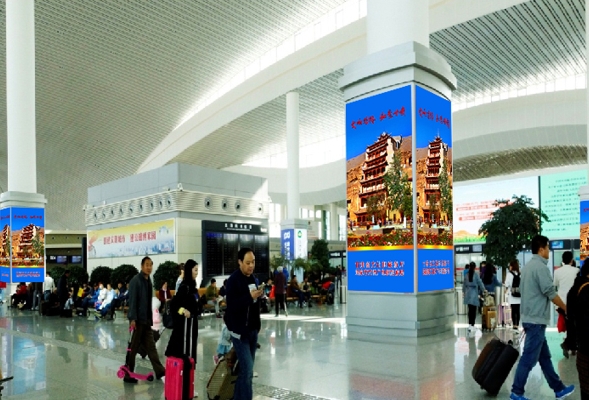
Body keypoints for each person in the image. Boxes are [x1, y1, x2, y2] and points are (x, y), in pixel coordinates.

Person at [509, 235, 575, 400]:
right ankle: (516, 392)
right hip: (536, 321)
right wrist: (566, 308)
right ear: (541, 249)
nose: (548, 251)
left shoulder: (527, 267)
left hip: (530, 318)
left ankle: (559, 389)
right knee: (528, 358)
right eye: (547, 248)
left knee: (544, 358)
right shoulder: (540, 268)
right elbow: (550, 292)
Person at [225, 247, 262, 400]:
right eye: (247, 263)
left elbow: (252, 305)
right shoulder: (233, 281)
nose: (251, 265)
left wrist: (258, 296)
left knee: (245, 371)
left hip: (252, 330)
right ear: (240, 262)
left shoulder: (253, 278)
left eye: (253, 262)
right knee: (247, 370)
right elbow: (232, 306)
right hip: (239, 332)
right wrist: (249, 297)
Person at [125, 256, 166, 383]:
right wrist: (132, 319)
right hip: (137, 321)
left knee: (151, 347)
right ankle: (128, 375)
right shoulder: (135, 281)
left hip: (146, 320)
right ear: (142, 266)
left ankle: (160, 371)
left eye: (150, 265)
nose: (149, 267)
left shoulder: (148, 281)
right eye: (146, 265)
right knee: (133, 349)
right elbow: (132, 301)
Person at [165, 259, 200, 398]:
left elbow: (196, 305)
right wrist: (183, 311)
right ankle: (183, 386)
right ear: (189, 270)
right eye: (195, 270)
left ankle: (189, 385)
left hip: (192, 326)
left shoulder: (193, 287)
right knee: (186, 354)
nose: (197, 273)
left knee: (192, 356)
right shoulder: (184, 287)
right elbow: (174, 305)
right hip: (184, 328)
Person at [567, 260, 589, 400]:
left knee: (585, 389)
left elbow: (571, 316)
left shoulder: (574, 289)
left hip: (582, 349)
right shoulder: (587, 290)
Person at [554, 251, 580, 358]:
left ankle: (569, 344)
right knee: (573, 324)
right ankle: (571, 346)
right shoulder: (576, 271)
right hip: (574, 301)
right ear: (571, 260)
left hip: (561, 302)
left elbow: (555, 284)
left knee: (567, 323)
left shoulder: (557, 272)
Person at [463, 262, 485, 333]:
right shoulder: (476, 275)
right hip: (474, 294)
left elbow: (464, 284)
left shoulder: (466, 275)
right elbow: (480, 283)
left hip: (468, 294)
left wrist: (464, 292)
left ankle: (470, 325)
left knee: (470, 310)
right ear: (475, 267)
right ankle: (472, 325)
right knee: (473, 311)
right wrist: (483, 290)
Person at [504, 260, 522, 333]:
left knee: (513, 310)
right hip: (519, 295)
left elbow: (506, 284)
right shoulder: (520, 274)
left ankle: (514, 326)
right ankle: (517, 325)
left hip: (512, 295)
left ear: (512, 266)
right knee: (518, 311)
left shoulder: (509, 274)